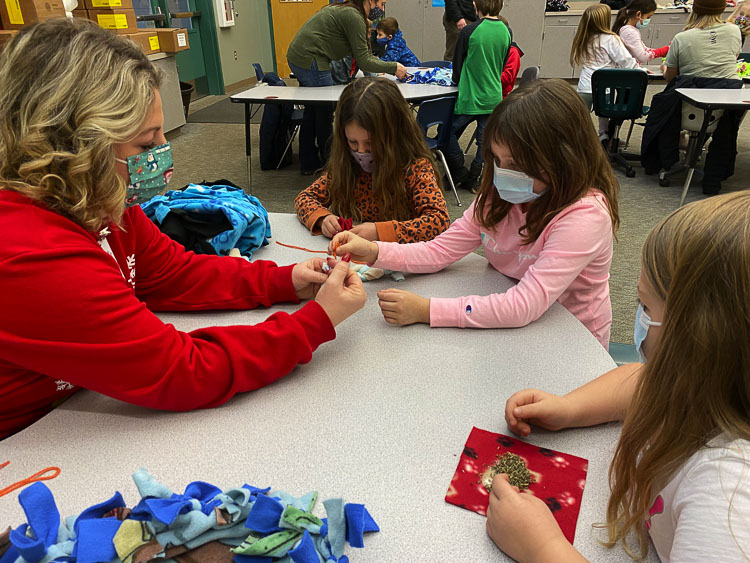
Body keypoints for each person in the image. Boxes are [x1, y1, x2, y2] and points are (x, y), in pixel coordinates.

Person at [0, 19, 367, 441]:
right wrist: (314, 322)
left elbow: (173, 273)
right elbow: (180, 371)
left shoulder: (97, 199)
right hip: (25, 444)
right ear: (74, 145)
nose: (161, 158)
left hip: (76, 411)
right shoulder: (33, 254)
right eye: (144, 144)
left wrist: (287, 280)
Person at [488, 191, 750, 562]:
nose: (639, 317)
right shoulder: (710, 385)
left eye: (646, 307)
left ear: (705, 338)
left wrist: (543, 548)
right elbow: (643, 382)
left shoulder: (729, 495)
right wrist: (569, 407)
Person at [329, 80, 620, 349]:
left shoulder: (584, 217)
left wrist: (428, 310)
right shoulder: (499, 196)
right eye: (496, 159)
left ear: (563, 160)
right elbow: (439, 250)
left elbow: (523, 306)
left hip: (571, 342)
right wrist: (373, 250)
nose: (503, 173)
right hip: (511, 330)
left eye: (517, 164)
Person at [295, 78, 450, 243]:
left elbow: (439, 221)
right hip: (358, 259)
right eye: (353, 142)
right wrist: (323, 218)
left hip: (400, 259)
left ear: (394, 137)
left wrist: (379, 231)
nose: (361, 152)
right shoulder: (348, 164)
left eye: (371, 143)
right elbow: (305, 197)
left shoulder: (414, 167)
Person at [287, 0, 407, 175]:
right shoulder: (354, 17)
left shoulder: (347, 10)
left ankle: (309, 161)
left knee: (313, 109)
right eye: (381, 4)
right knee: (324, 110)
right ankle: (330, 165)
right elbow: (364, 59)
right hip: (311, 58)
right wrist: (393, 67)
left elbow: (362, 57)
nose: (381, 10)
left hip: (300, 56)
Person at [641, 0, 743, 194]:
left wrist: (665, 67)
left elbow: (671, 78)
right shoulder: (734, 31)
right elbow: (732, 57)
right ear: (722, 8)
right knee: (724, 124)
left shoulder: (682, 37)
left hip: (690, 108)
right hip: (727, 103)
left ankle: (667, 157)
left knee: (664, 103)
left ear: (695, 9)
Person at [446, 0, 511, 192]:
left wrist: (456, 81)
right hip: (493, 97)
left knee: (446, 133)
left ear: (476, 5)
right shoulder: (507, 31)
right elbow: (502, 61)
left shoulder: (469, 31)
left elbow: (457, 65)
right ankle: (474, 177)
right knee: (484, 141)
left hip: (471, 96)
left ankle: (459, 170)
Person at [571, 3, 640, 145]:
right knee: (604, 112)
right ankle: (603, 135)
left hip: (584, 86)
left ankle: (579, 140)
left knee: (580, 116)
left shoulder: (584, 37)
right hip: (603, 87)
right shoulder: (611, 39)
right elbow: (626, 60)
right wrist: (641, 71)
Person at [613, 0, 670, 64]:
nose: (648, 20)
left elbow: (645, 49)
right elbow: (642, 57)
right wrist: (665, 50)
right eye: (648, 17)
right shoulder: (630, 32)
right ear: (638, 14)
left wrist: (666, 50)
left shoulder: (631, 30)